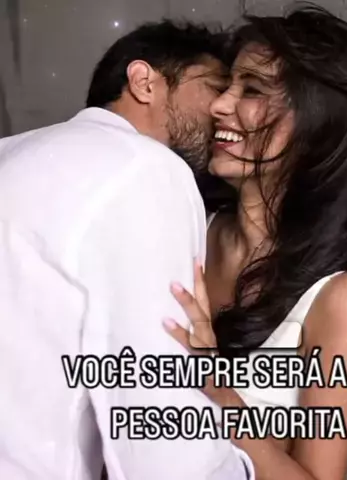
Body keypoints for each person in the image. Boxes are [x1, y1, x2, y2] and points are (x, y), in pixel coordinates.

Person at [164, 5, 347, 480]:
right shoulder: (185, 226)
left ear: (314, 125)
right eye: (227, 86)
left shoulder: (340, 301)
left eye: (252, 90)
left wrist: (215, 391)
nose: (220, 106)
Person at [0, 21, 253, 480]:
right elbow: (161, 432)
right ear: (143, 81)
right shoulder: (146, 168)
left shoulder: (12, 153)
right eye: (215, 87)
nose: (222, 108)